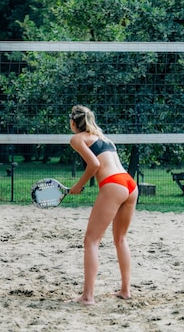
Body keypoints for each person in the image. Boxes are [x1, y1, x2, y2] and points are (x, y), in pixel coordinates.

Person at [67, 105, 138, 305]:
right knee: (121, 239)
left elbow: (95, 165)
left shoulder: (77, 138)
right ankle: (125, 290)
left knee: (91, 240)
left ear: (73, 123)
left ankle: (88, 296)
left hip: (114, 184)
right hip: (130, 184)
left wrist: (78, 185)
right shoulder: (104, 138)